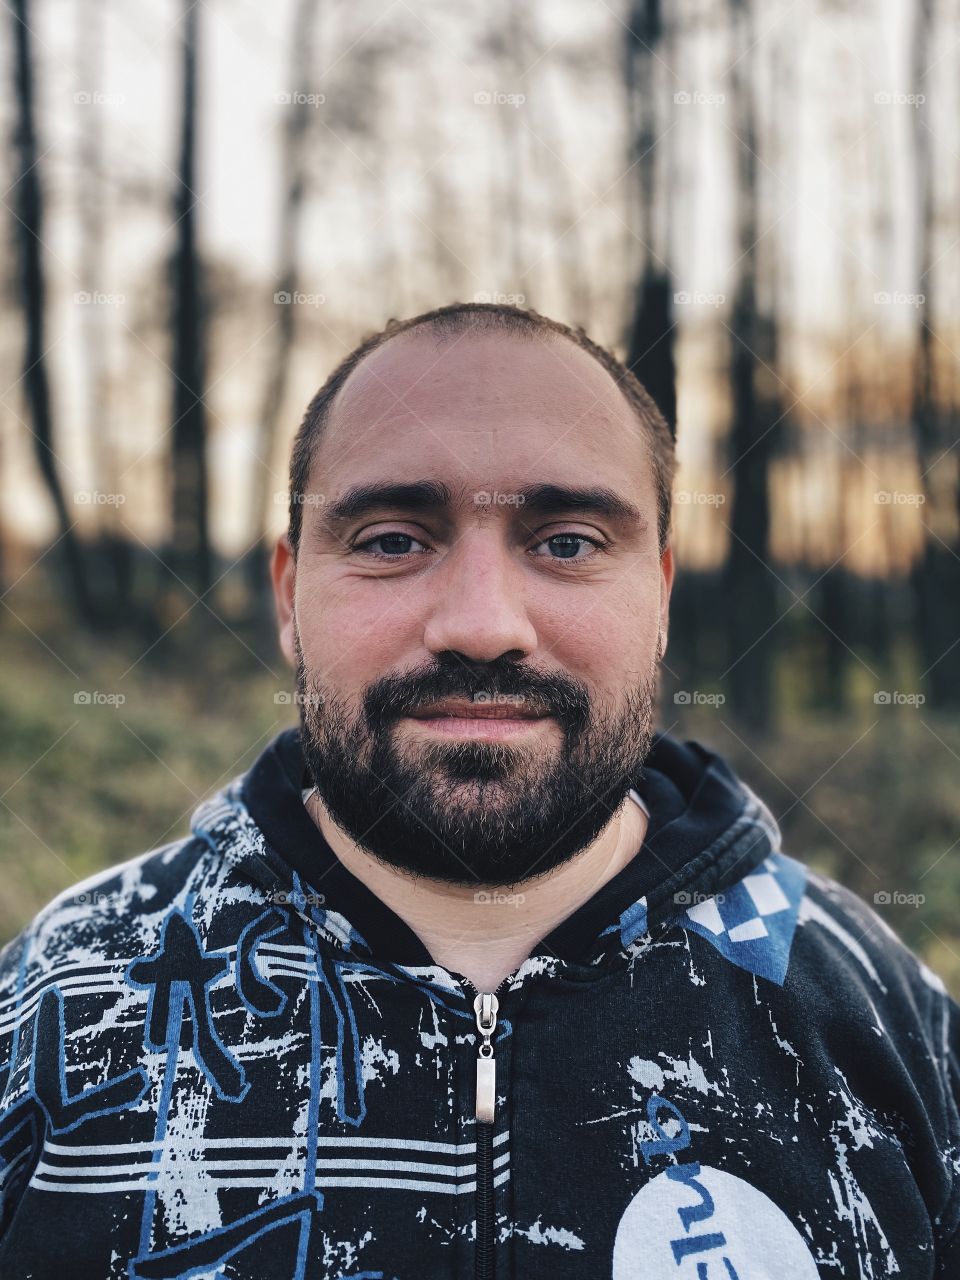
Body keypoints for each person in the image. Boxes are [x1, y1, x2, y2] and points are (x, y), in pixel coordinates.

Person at [0, 302, 956, 1279]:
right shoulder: (60, 1002)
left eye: (569, 540)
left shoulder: (877, 1011)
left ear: (661, 594)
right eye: (391, 538)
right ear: (289, 596)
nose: (482, 623)